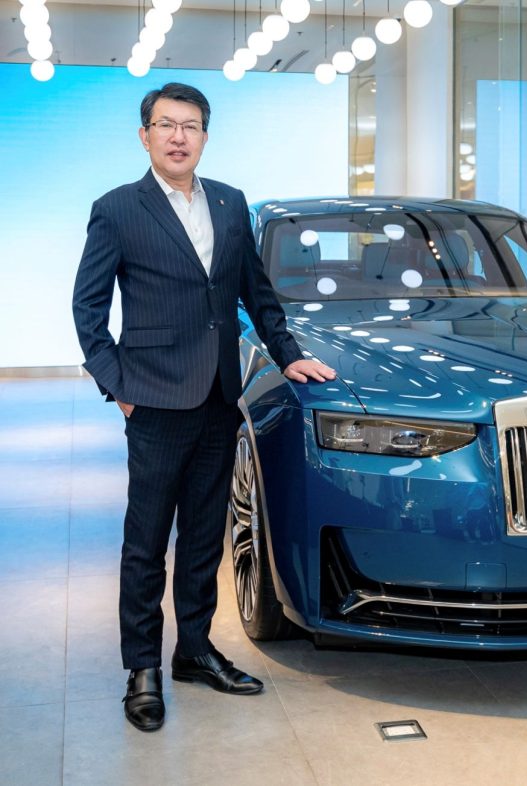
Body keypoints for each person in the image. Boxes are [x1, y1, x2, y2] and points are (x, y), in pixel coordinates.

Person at [71, 83, 336, 733]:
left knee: (200, 539)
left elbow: (257, 293)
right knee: (145, 544)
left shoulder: (229, 202)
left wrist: (288, 354)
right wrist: (119, 386)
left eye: (190, 126)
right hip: (155, 402)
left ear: (205, 137)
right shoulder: (117, 209)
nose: (178, 136)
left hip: (219, 397)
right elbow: (88, 307)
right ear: (145, 136)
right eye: (166, 125)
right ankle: (142, 668)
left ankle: (194, 650)